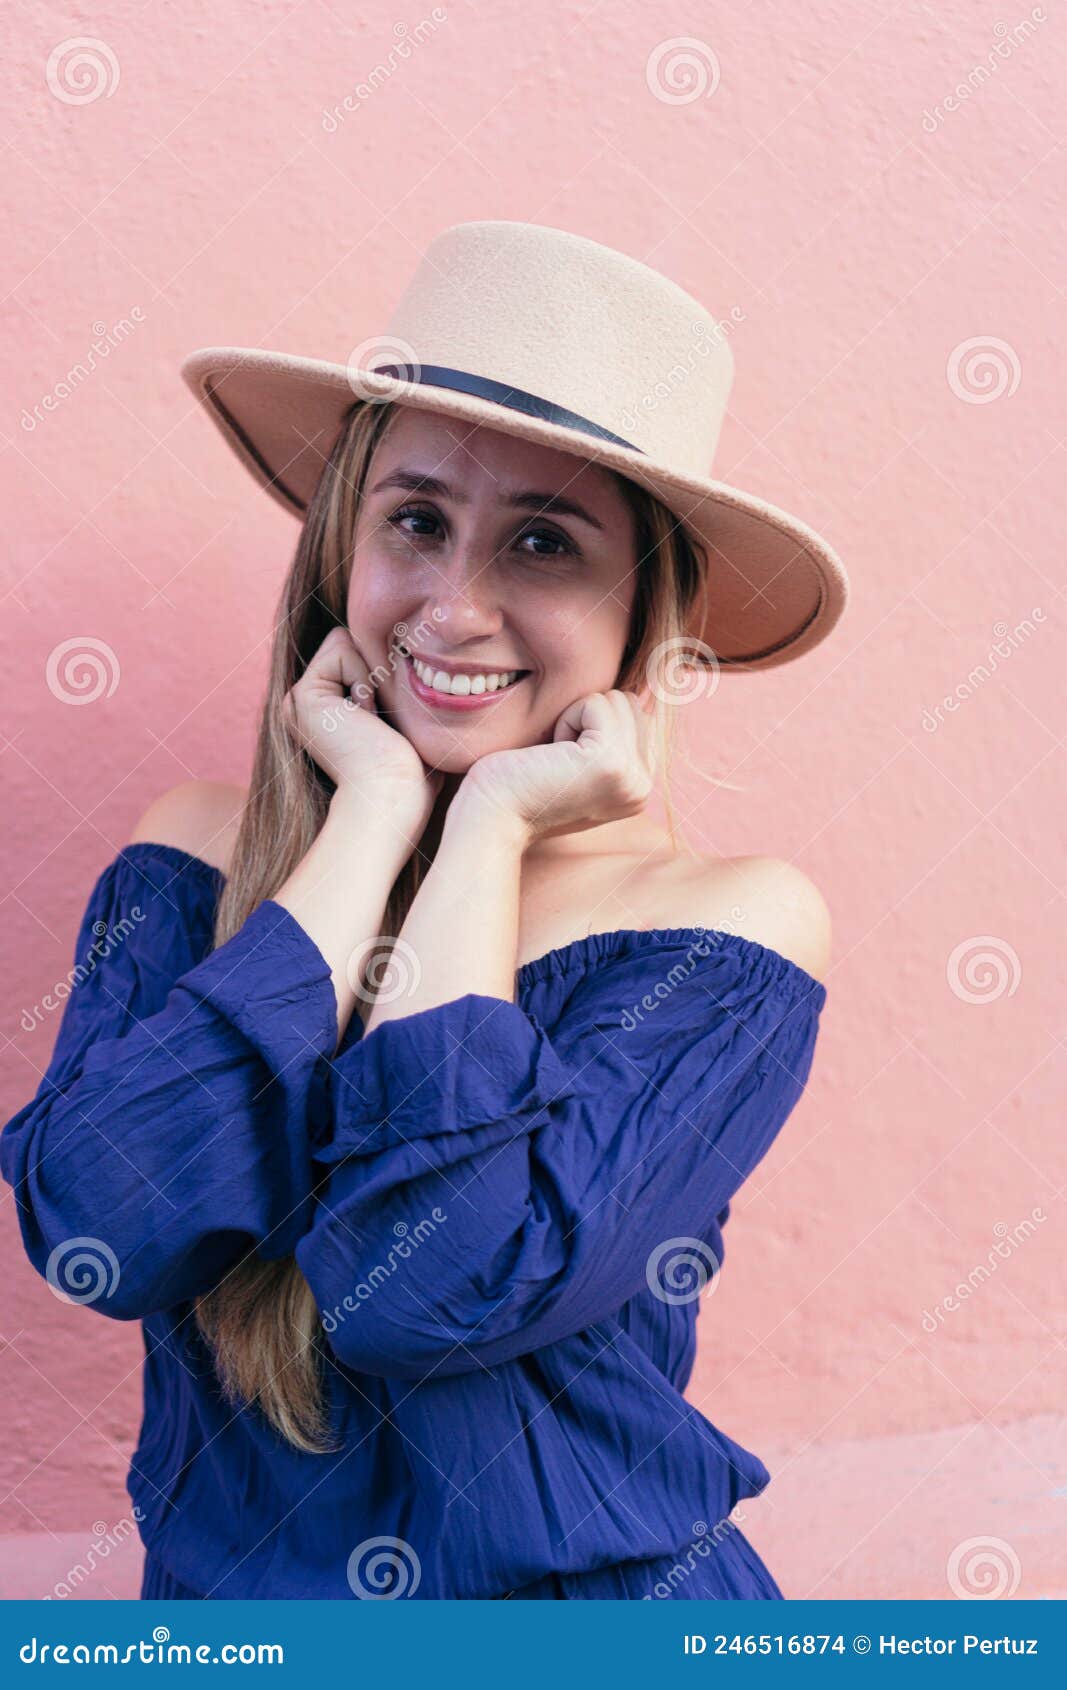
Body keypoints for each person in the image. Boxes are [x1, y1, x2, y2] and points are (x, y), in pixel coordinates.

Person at [1, 221, 849, 1600]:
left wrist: (489, 830)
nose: (454, 609)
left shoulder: (723, 934)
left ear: (647, 610)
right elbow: (109, 1225)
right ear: (344, 543)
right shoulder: (193, 853)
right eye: (415, 520)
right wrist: (371, 819)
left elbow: (435, 1290)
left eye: (544, 542)